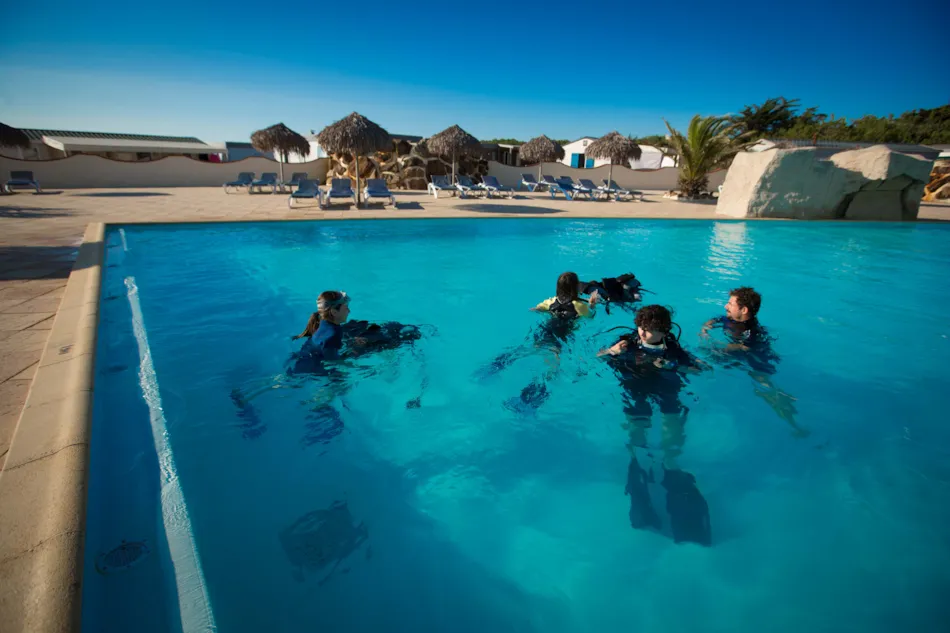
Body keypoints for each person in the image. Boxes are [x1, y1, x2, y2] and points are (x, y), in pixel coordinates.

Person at [600, 304, 711, 546]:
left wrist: (673, 366)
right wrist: (612, 351)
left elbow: (700, 369)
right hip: (636, 390)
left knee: (672, 424)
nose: (640, 332)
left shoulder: (673, 348)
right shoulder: (626, 341)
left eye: (646, 329)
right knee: (637, 428)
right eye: (640, 327)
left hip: (667, 390)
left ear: (662, 330)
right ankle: (637, 461)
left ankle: (671, 465)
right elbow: (600, 356)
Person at [481, 272, 595, 412]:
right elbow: (590, 317)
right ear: (576, 287)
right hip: (557, 339)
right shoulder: (579, 305)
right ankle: (527, 401)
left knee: (523, 351)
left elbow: (537, 308)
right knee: (552, 370)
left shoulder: (551, 301)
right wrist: (592, 305)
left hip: (543, 332)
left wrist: (539, 310)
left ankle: (494, 367)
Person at [700, 287, 803, 437]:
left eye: (730, 304)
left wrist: (716, 346)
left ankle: (789, 417)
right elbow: (716, 319)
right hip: (744, 355)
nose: (725, 306)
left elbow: (744, 347)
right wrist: (705, 327)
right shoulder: (732, 318)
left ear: (744, 310)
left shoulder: (751, 331)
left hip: (756, 358)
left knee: (764, 384)